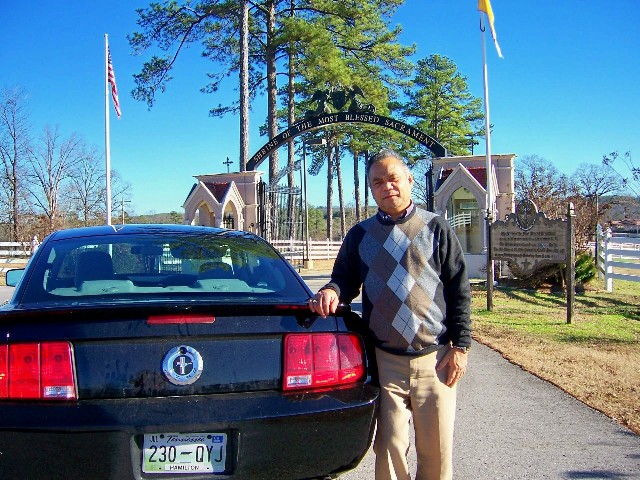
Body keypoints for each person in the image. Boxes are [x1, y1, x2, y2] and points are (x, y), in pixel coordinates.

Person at [308, 149, 472, 480]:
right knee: (388, 448)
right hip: (385, 363)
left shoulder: (435, 228)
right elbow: (344, 280)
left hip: (435, 360)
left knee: (436, 453)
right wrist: (330, 291)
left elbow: (459, 290)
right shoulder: (359, 235)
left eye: (394, 179)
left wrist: (461, 346)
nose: (387, 187)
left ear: (410, 181)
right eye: (378, 182)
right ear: (371, 188)